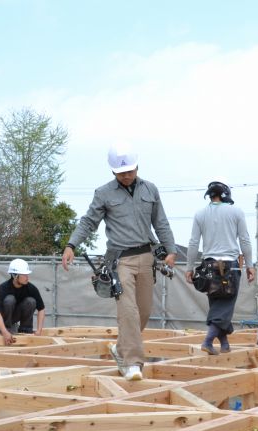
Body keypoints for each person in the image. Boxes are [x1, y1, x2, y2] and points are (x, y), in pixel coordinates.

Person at [61, 142, 176, 381]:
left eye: (130, 171)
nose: (126, 175)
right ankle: (132, 363)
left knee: (143, 311)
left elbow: (161, 222)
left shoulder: (150, 190)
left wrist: (171, 250)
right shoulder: (103, 193)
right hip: (120, 260)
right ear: (112, 171)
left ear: (137, 167)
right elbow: (88, 221)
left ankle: (119, 348)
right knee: (128, 311)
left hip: (146, 257)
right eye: (121, 172)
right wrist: (71, 244)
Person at [186, 181, 256, 354]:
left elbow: (194, 242)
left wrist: (189, 267)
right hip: (230, 267)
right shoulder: (236, 212)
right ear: (226, 195)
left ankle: (224, 345)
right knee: (224, 307)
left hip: (208, 267)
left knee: (218, 306)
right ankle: (208, 341)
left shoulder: (200, 214)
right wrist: (250, 265)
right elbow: (244, 239)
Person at [0, 258, 46, 346]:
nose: (27, 277)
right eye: (24, 275)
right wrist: (5, 332)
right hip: (0, 315)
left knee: (31, 301)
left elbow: (41, 309)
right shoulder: (3, 288)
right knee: (10, 299)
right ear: (15, 275)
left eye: (27, 274)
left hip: (14, 314)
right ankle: (7, 329)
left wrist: (39, 331)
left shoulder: (31, 288)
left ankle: (25, 329)